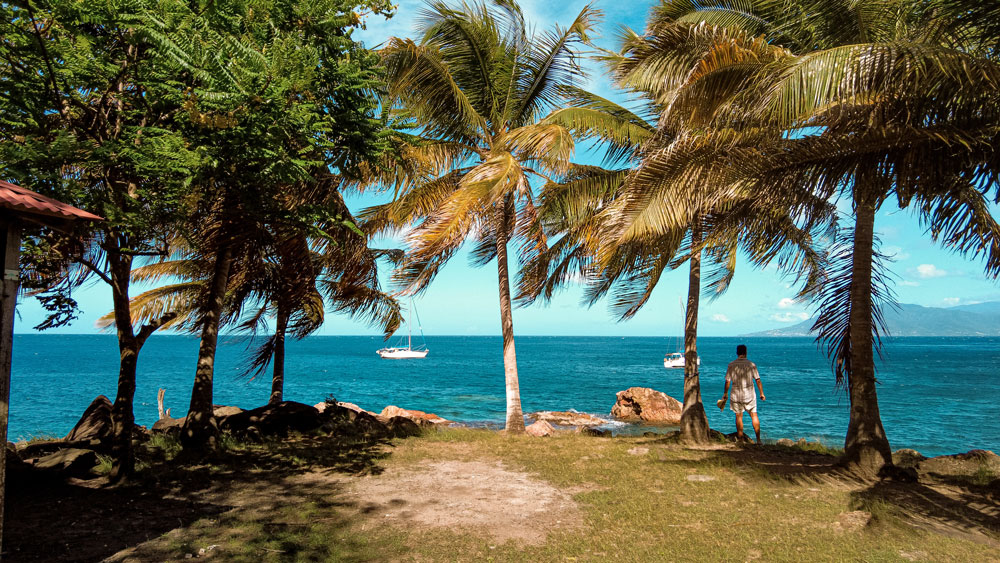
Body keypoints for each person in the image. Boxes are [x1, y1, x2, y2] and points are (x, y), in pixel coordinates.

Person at [718, 344, 765, 444]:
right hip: (750, 395)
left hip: (736, 394)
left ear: (737, 353)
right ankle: (759, 440)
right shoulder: (751, 365)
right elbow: (758, 380)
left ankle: (740, 440)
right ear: (746, 352)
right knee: (754, 415)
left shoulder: (731, 365)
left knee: (739, 417)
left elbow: (727, 381)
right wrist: (761, 393)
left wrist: (725, 393)